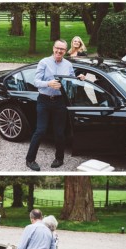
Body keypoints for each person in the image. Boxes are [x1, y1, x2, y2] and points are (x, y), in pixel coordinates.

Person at [25, 39, 84, 171]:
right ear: (53, 48)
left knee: (59, 132)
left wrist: (78, 78)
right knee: (40, 130)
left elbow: (70, 82)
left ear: (65, 50)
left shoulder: (68, 64)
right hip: (44, 100)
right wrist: (48, 83)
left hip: (59, 101)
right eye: (57, 48)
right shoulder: (44, 62)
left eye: (62, 49)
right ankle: (30, 159)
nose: (59, 51)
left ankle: (59, 158)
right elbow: (36, 81)